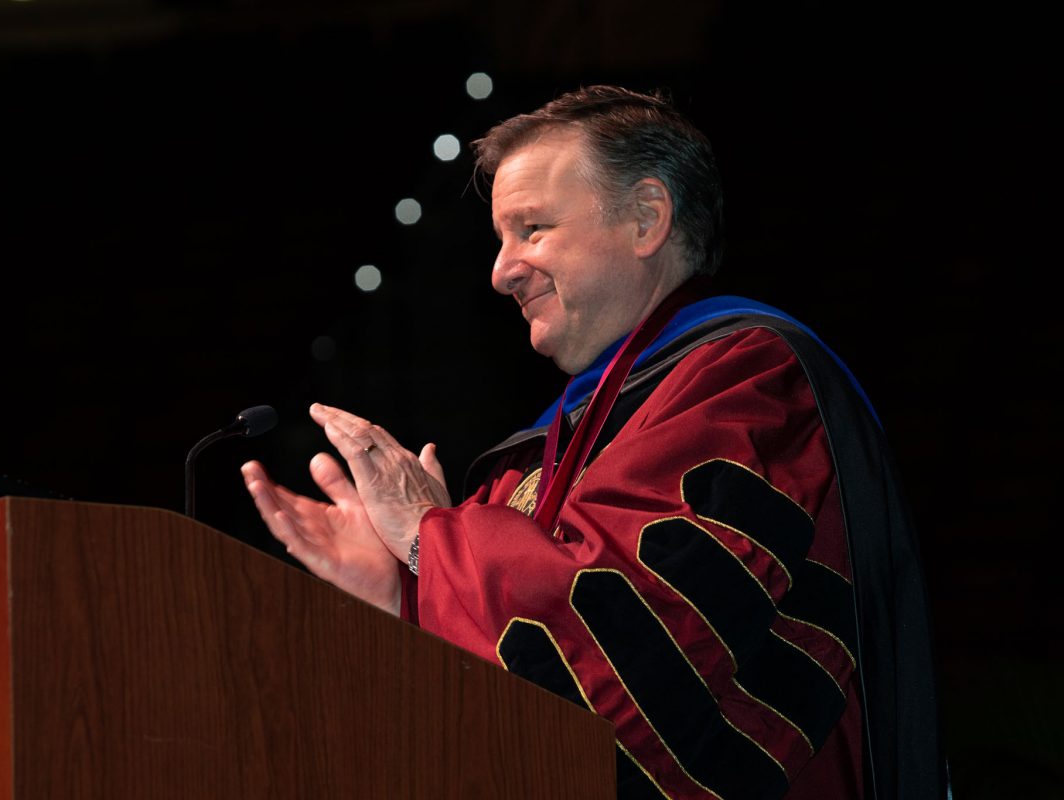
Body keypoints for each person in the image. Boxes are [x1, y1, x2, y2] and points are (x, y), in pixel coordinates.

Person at [241, 85, 947, 800]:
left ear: (646, 219)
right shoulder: (546, 449)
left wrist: (432, 541)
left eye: (533, 229)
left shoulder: (748, 384)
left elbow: (629, 647)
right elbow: (509, 678)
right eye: (499, 238)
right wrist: (405, 595)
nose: (501, 271)